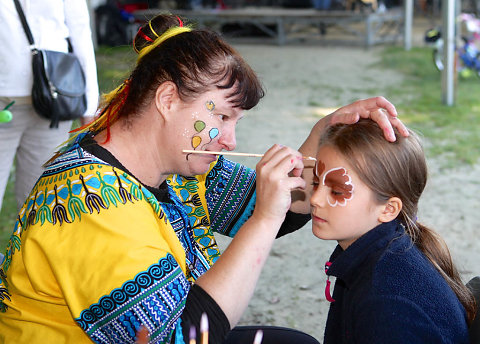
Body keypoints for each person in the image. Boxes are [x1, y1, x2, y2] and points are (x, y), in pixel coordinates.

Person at [0, 13, 406, 344]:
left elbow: (287, 209)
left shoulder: (171, 161)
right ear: (167, 99)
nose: (230, 141)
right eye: (222, 117)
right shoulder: (90, 204)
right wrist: (263, 220)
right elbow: (188, 337)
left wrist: (323, 131)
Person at [309, 119, 476, 343]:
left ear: (388, 209)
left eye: (337, 192)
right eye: (316, 182)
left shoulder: (385, 303)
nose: (315, 199)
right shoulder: (390, 248)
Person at [0, 0, 99, 212]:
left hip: (54, 103)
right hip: (3, 100)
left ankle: (29, 247)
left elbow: (80, 33)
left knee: (38, 204)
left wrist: (88, 108)